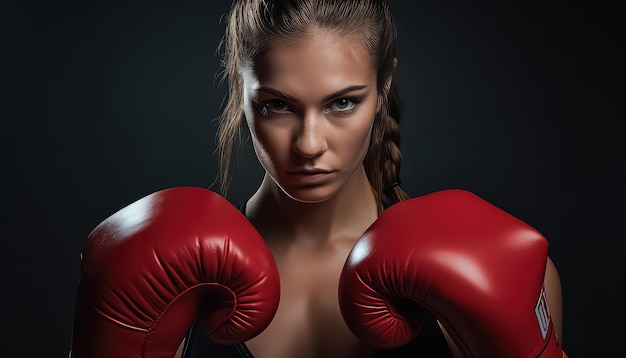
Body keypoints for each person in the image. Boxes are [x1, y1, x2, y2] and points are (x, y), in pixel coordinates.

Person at [179, 0, 564, 357]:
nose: (309, 144)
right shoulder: (177, 283)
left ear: (383, 87)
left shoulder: (501, 273)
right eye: (277, 105)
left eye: (343, 102)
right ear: (240, 90)